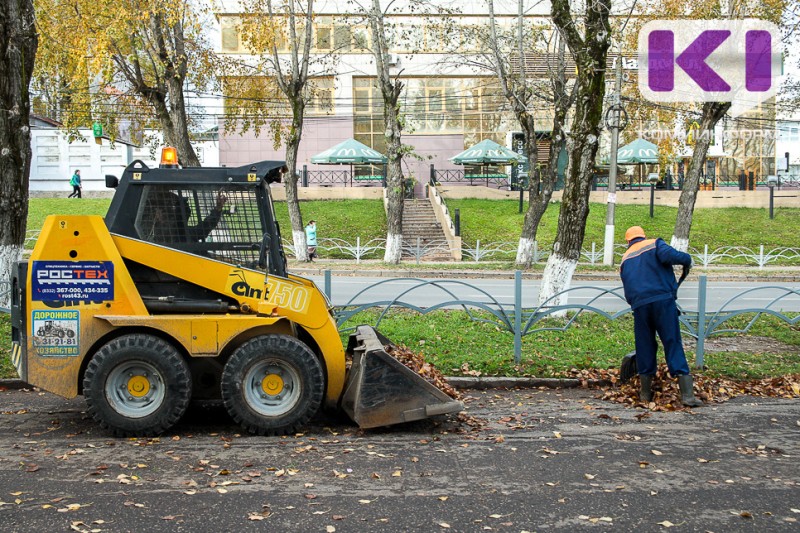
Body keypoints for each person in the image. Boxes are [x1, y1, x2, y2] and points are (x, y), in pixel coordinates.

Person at [619, 226, 703, 407]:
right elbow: (673, 257)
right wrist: (688, 260)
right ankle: (687, 395)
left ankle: (645, 394)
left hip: (639, 306)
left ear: (628, 241)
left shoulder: (625, 259)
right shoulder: (654, 244)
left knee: (645, 346)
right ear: (643, 235)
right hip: (663, 302)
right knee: (672, 342)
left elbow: (627, 288)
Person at [142, 189, 227, 244]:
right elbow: (204, 228)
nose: (164, 213)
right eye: (162, 210)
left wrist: (218, 208)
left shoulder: (183, 233)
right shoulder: (145, 237)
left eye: (168, 210)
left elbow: (204, 228)